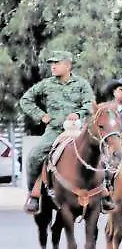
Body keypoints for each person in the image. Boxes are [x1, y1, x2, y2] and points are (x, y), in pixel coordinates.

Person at [18, 50, 96, 214]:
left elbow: (90, 104)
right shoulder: (46, 84)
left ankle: (106, 194)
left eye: (57, 63)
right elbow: (25, 100)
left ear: (68, 65)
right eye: (52, 64)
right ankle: (34, 195)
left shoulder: (81, 84)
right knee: (34, 156)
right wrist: (41, 115)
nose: (53, 66)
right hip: (54, 131)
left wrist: (79, 113)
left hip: (79, 130)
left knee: (104, 152)